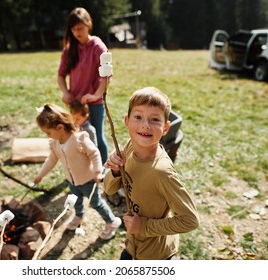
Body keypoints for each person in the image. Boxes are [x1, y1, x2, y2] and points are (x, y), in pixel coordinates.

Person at [103, 87, 200, 259]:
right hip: (133, 244)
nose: (145, 125)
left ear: (165, 128)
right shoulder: (129, 146)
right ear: (127, 121)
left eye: (155, 119)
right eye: (138, 117)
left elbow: (190, 220)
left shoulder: (161, 172)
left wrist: (143, 227)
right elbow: (109, 190)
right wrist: (116, 171)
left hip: (156, 254)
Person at [33, 103, 121, 240]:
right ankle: (79, 216)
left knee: (95, 203)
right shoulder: (55, 144)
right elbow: (51, 160)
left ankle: (112, 221)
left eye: (48, 132)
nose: (47, 136)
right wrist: (40, 175)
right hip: (72, 181)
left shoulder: (79, 139)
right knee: (76, 201)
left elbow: (94, 153)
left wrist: (98, 171)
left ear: (60, 127)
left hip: (88, 180)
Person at [57, 7, 109, 165]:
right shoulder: (69, 49)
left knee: (96, 135)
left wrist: (95, 95)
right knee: (79, 135)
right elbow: (61, 75)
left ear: (89, 24)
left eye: (80, 28)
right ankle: (87, 167)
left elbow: (106, 76)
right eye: (74, 29)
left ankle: (104, 169)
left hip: (94, 103)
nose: (77, 32)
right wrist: (66, 92)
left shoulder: (98, 47)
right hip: (76, 104)